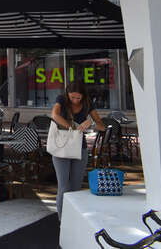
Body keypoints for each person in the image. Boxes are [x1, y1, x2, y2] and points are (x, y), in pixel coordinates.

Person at [50, 81, 106, 219]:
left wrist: (91, 122)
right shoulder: (61, 99)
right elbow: (55, 115)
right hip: (61, 147)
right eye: (72, 97)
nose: (75, 100)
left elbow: (102, 126)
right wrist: (72, 127)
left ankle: (72, 220)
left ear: (83, 96)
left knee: (75, 188)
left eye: (78, 98)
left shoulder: (87, 104)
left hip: (80, 148)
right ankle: (62, 221)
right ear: (67, 94)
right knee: (63, 187)